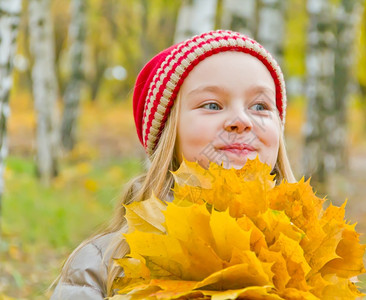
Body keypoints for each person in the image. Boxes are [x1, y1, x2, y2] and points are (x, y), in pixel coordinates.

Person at [50, 29, 296, 299]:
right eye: (213, 105)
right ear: (169, 133)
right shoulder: (103, 265)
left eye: (260, 106)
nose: (241, 120)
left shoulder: (313, 254)